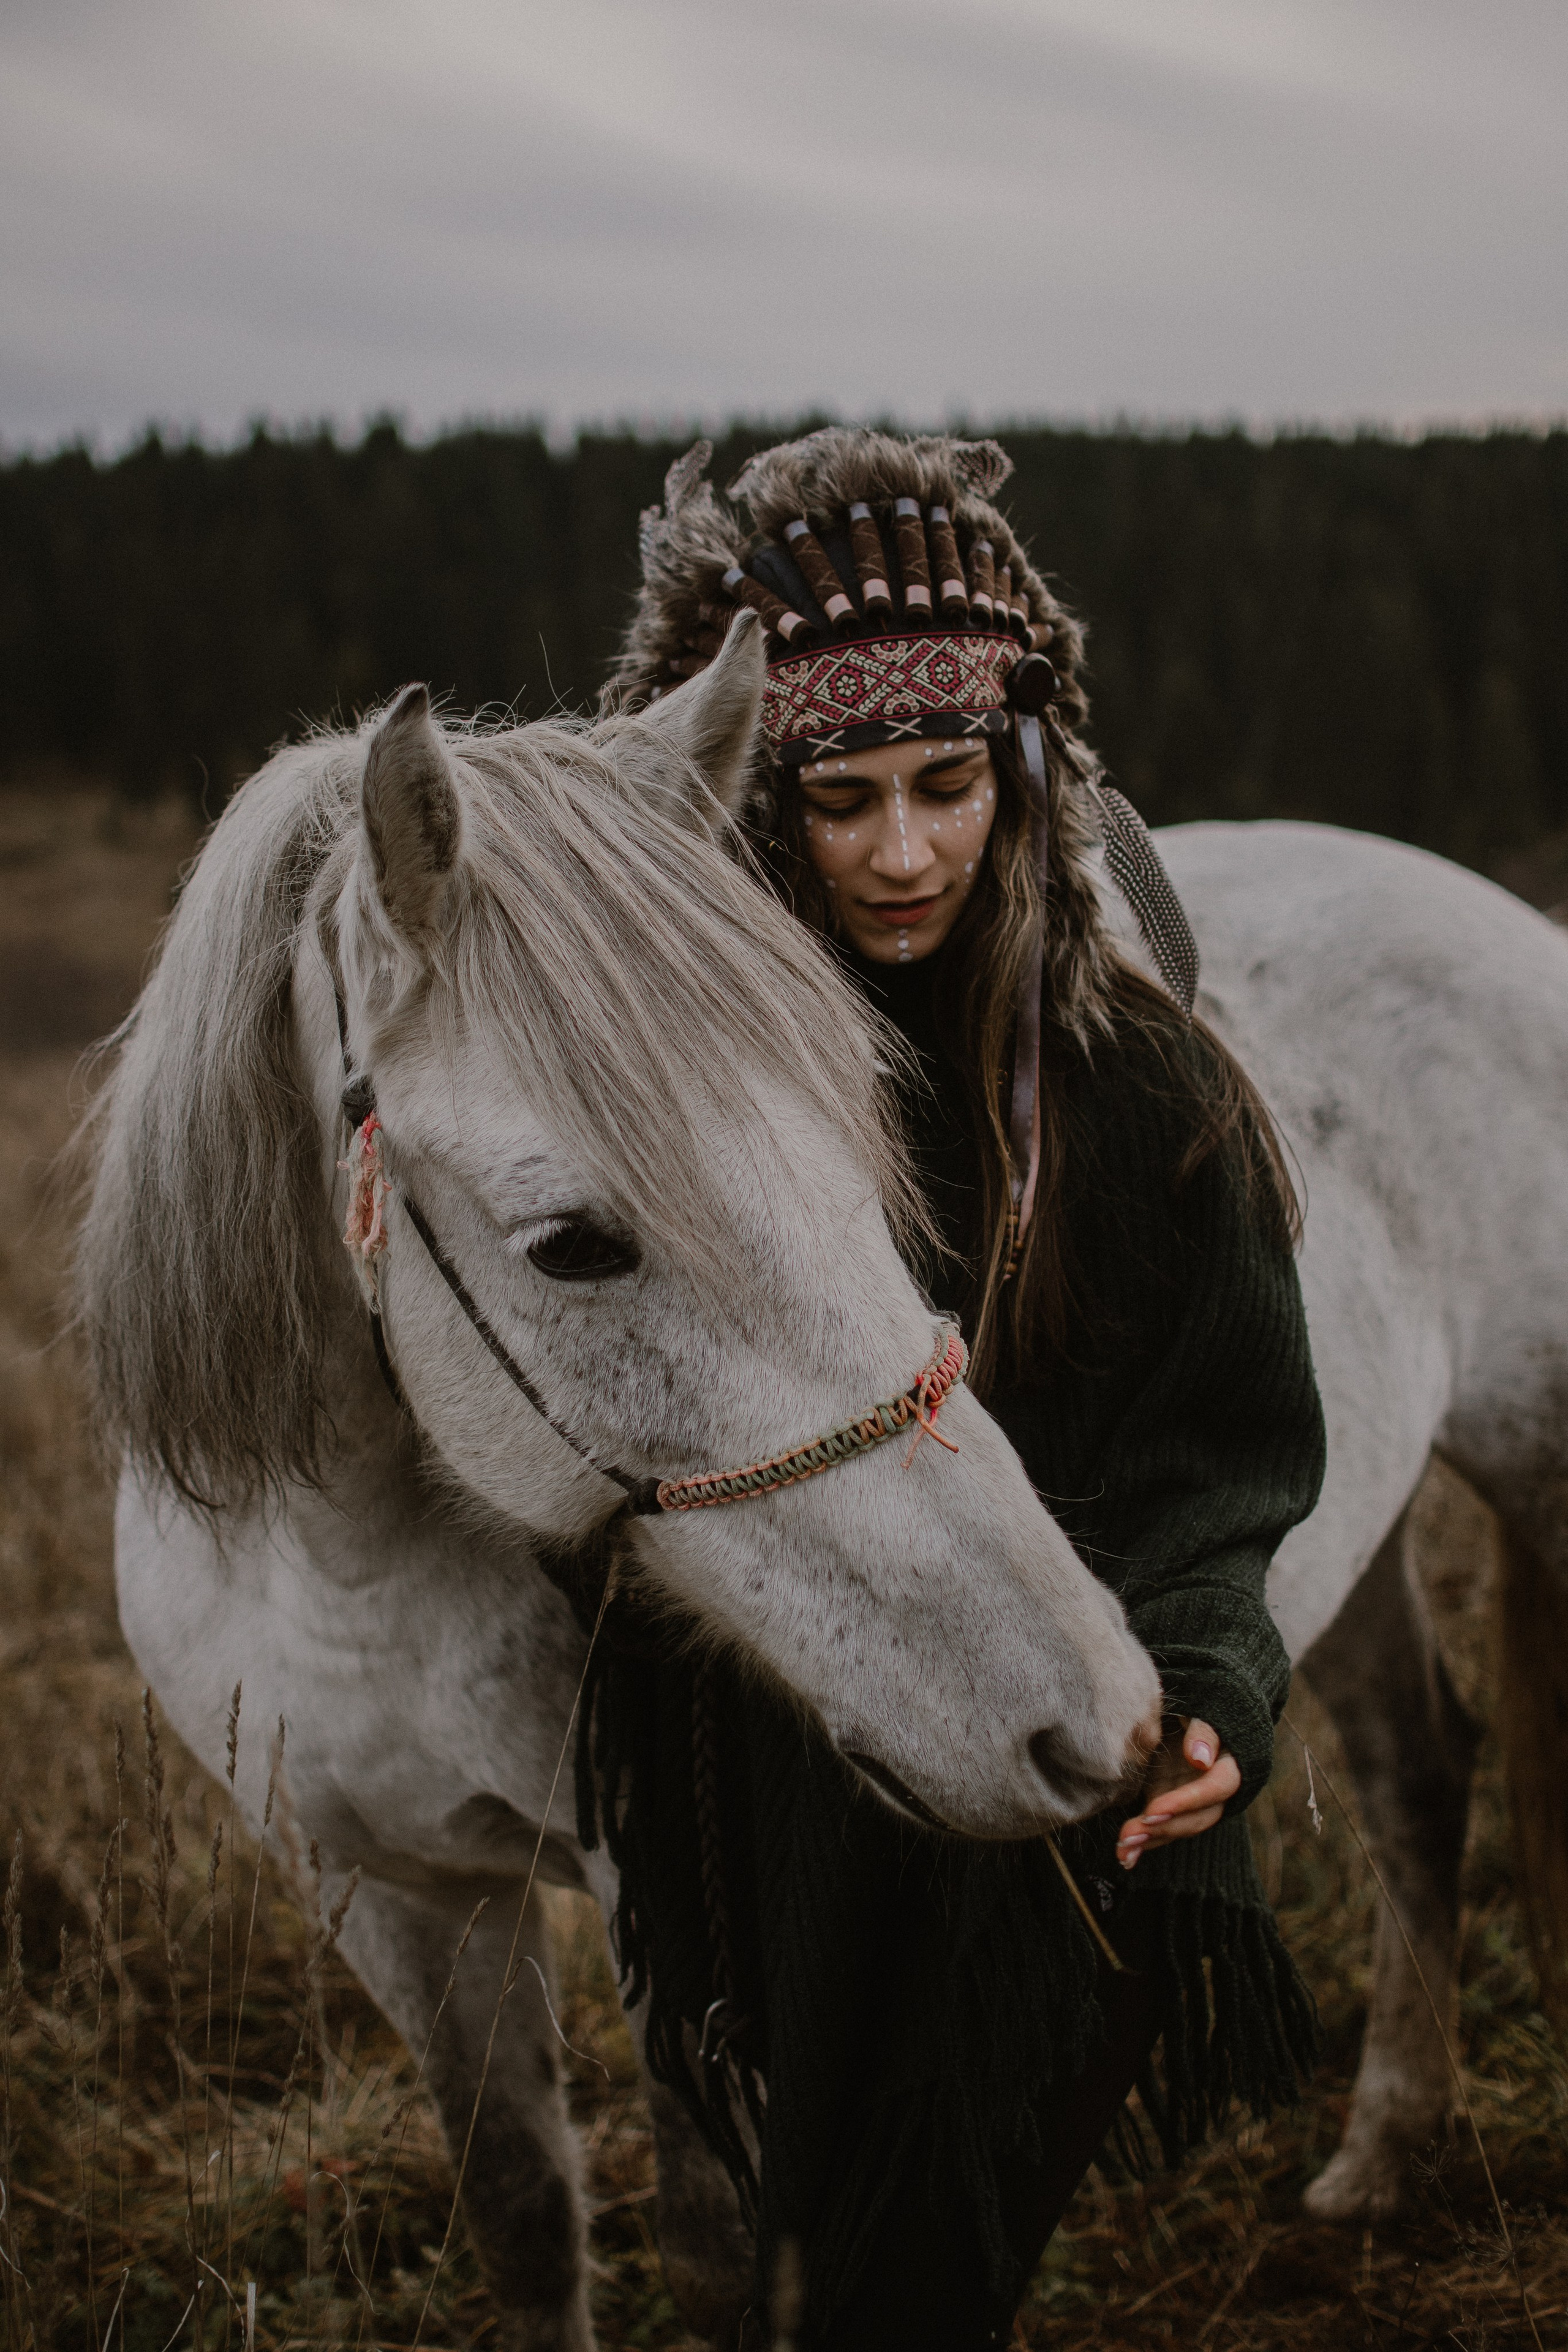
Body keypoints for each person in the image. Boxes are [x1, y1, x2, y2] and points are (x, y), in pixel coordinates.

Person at [579, 429, 1326, 2350]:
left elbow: (1221, 1460)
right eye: (838, 801)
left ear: (1021, 771)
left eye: (946, 786)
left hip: (1063, 1789)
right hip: (776, 1792)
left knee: (926, 2279)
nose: (903, 854)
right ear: (762, 812)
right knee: (796, 2207)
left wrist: (1218, 1684)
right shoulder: (689, 1121)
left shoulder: (1143, 1095)